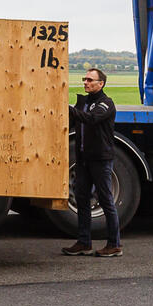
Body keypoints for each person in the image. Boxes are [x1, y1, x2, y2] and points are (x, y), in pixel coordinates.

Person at [62, 68, 123, 257]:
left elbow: (92, 119)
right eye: (85, 79)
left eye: (90, 80)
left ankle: (114, 245)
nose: (86, 82)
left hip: (100, 160)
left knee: (106, 201)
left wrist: (68, 108)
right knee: (81, 199)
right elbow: (73, 123)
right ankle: (84, 242)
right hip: (83, 160)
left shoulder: (105, 103)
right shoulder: (83, 102)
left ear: (101, 84)